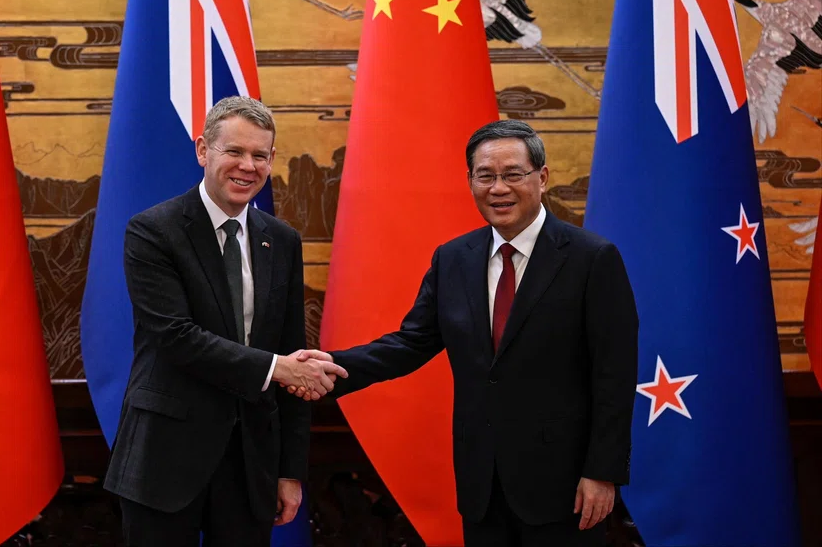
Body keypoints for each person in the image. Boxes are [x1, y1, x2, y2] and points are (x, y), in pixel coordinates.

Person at [292, 120, 639, 546]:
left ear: (542, 178)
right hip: (482, 483)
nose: (499, 188)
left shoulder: (592, 260)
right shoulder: (454, 258)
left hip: (565, 486)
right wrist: (333, 367)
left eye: (513, 174)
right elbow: (410, 343)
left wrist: (602, 472)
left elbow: (614, 376)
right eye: (485, 176)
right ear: (470, 180)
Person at [104, 96, 348, 547]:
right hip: (165, 459)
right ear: (203, 151)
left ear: (272, 160)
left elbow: (295, 352)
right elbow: (176, 337)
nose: (247, 166)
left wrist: (290, 471)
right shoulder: (153, 231)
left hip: (249, 465)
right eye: (234, 151)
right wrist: (277, 368)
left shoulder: (283, 241)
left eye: (259, 155)